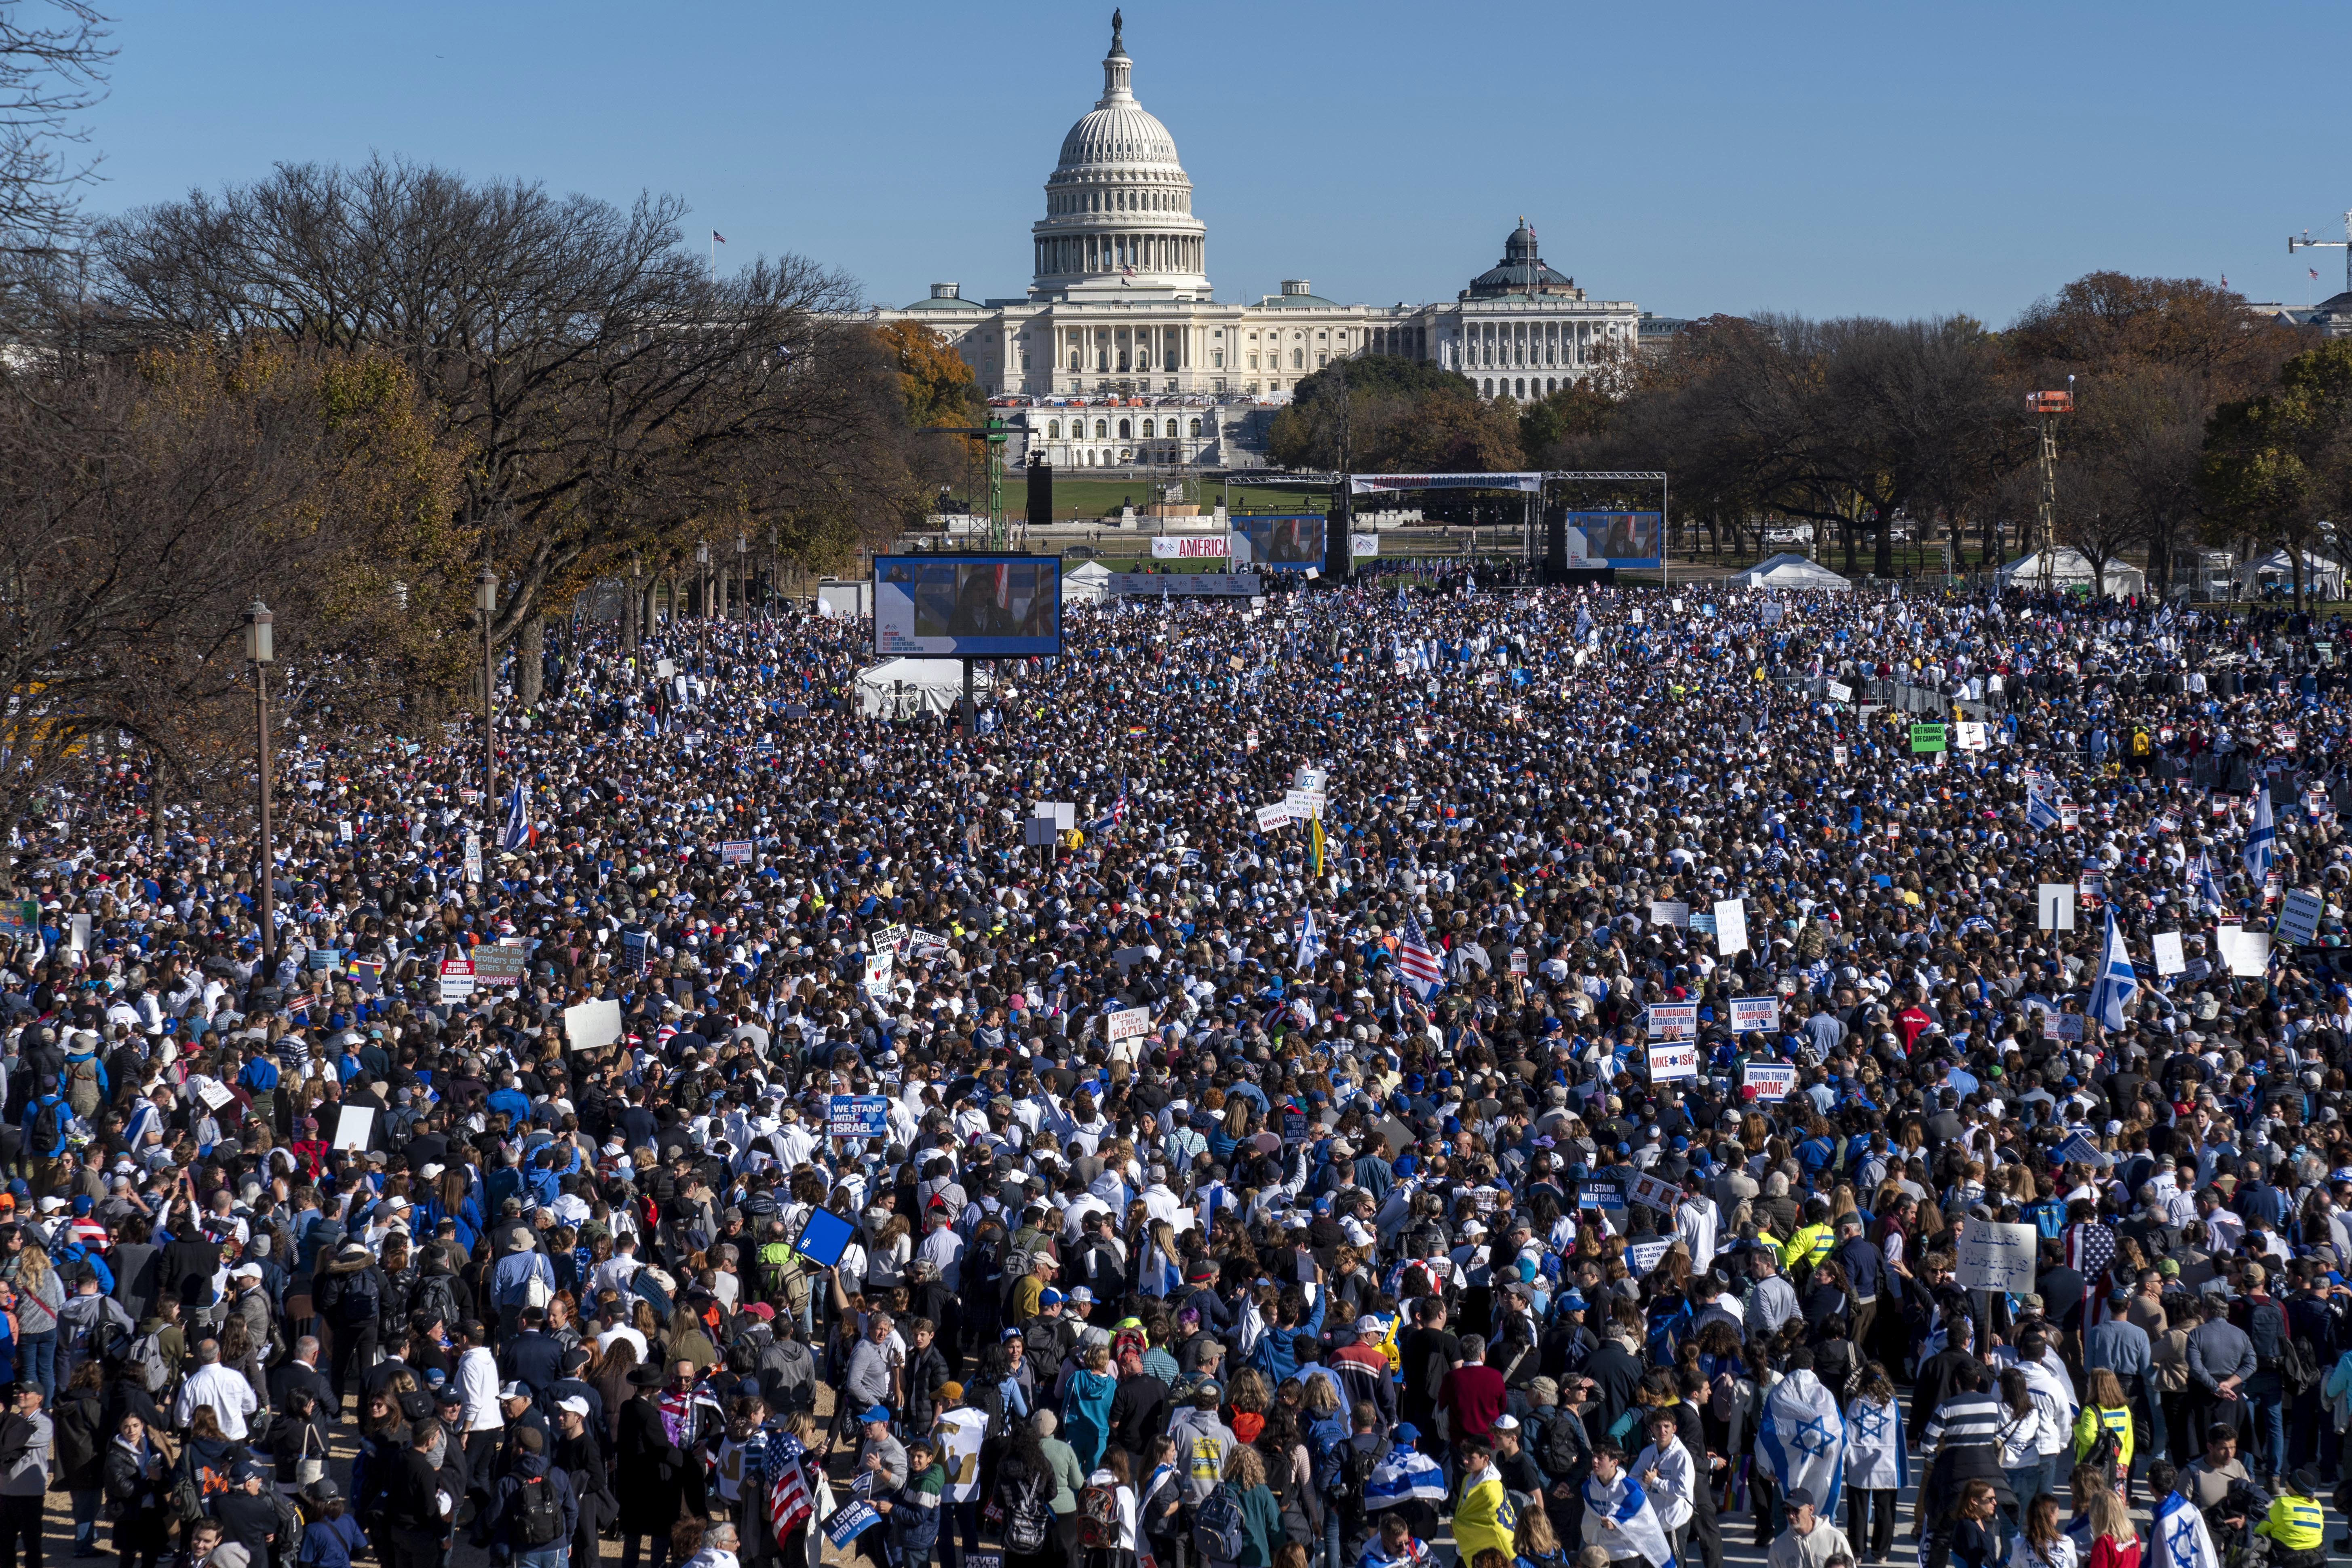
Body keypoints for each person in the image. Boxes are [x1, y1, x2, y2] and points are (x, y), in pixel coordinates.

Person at [480, 1425, 580, 1568]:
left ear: (520, 1450)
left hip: (523, 1549)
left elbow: (492, 1520)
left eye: (512, 1446)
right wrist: (568, 1540)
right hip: (557, 1547)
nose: (511, 1450)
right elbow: (572, 1511)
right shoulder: (559, 1475)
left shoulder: (507, 1483)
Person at [1840, 1364, 1905, 1566]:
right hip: (1886, 1465)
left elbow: (1848, 1433)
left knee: (1858, 1510)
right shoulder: (1892, 1404)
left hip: (1859, 1463)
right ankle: (1882, 1553)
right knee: (1885, 1510)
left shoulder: (1855, 1404)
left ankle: (1857, 1551)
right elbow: (1898, 1436)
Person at [0, 1382, 51, 1568]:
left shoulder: (45, 1423)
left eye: (27, 1392)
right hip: (5, 1493)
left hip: (30, 1495)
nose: (21, 1395)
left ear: (39, 1398)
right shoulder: (9, 1422)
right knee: (4, 1548)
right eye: (20, 1392)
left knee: (32, 1548)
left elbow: (13, 1440)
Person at [2254, 1467, 2327, 1568]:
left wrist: (2252, 1536)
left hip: (2287, 1553)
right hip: (2316, 1551)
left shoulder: (2283, 1503)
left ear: (2295, 1488)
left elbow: (2264, 1527)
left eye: (2289, 1481)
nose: (2286, 1483)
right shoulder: (2317, 1505)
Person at [2008, 1495, 2075, 1568]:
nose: (2058, 1515)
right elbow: (2073, 1566)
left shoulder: (2020, 1545)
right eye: (2058, 1511)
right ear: (2051, 1516)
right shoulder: (2067, 1543)